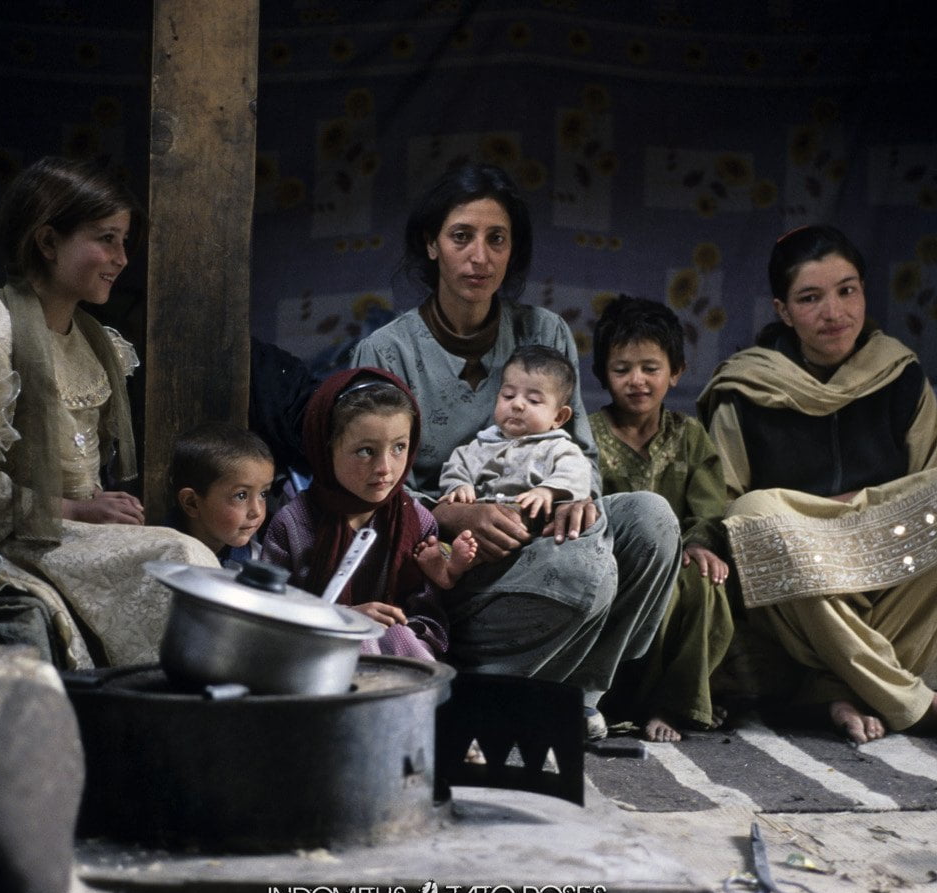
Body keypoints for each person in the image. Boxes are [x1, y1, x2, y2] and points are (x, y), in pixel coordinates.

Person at [350, 162, 679, 740]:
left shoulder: (544, 332)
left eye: (496, 239)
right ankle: (463, 693)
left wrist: (575, 497)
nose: (479, 256)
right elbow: (366, 493)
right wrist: (456, 513)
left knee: (651, 519)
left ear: (512, 252)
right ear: (432, 245)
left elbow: (580, 455)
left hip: (541, 533)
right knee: (583, 573)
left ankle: (575, 694)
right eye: (461, 237)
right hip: (446, 563)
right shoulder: (387, 350)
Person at [0, 155, 216, 668]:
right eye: (106, 239)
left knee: (189, 559)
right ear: (47, 243)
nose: (121, 258)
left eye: (123, 241)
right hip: (11, 539)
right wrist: (77, 510)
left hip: (69, 530)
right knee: (178, 558)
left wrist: (95, 507)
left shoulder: (94, 342)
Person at [697, 224, 937, 745]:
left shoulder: (901, 376)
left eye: (847, 290)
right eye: (810, 298)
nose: (834, 312)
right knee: (751, 513)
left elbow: (924, 490)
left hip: (884, 560)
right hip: (794, 579)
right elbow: (723, 507)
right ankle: (912, 702)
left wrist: (857, 511)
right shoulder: (746, 388)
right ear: (783, 310)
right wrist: (823, 518)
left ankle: (832, 691)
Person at [589, 295, 735, 743]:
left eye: (650, 368)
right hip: (617, 565)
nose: (637, 381)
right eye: (622, 369)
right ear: (602, 375)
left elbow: (708, 506)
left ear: (675, 372)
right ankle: (614, 701)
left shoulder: (688, 436)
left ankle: (673, 703)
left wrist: (698, 544)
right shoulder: (586, 435)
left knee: (702, 580)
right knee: (655, 587)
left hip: (680, 560)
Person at [261, 367, 477, 660]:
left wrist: (442, 577)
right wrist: (344, 618)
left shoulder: (418, 521)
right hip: (310, 658)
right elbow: (268, 611)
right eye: (365, 451)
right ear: (326, 448)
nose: (385, 468)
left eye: (399, 447)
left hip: (400, 658)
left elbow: (428, 621)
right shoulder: (293, 524)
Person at [438, 345, 593, 525]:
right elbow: (456, 467)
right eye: (508, 396)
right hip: (483, 525)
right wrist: (459, 486)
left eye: (533, 400)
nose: (517, 404)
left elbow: (577, 473)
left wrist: (547, 491)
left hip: (533, 527)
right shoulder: (479, 446)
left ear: (558, 417)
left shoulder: (559, 448)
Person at [169, 422, 275, 564]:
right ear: (192, 503)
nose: (256, 511)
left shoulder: (257, 560)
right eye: (241, 495)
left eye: (263, 494)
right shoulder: (160, 556)